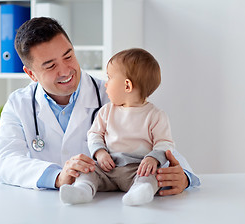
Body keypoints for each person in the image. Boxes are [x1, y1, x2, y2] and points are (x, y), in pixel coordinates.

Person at [0, 17, 200, 195]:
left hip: (110, 208)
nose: (66, 70)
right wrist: (57, 176)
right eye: (51, 66)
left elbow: (160, 143)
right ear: (31, 74)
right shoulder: (18, 104)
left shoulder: (113, 95)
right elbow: (7, 161)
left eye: (68, 56)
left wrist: (185, 177)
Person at [60, 48, 178, 205]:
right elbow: (94, 134)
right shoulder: (107, 111)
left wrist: (152, 158)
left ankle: (140, 192)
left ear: (127, 86)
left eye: (109, 78)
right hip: (108, 167)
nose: (105, 84)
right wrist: (100, 153)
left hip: (138, 168)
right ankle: (83, 190)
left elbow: (165, 143)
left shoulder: (155, 115)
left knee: (152, 175)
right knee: (88, 170)